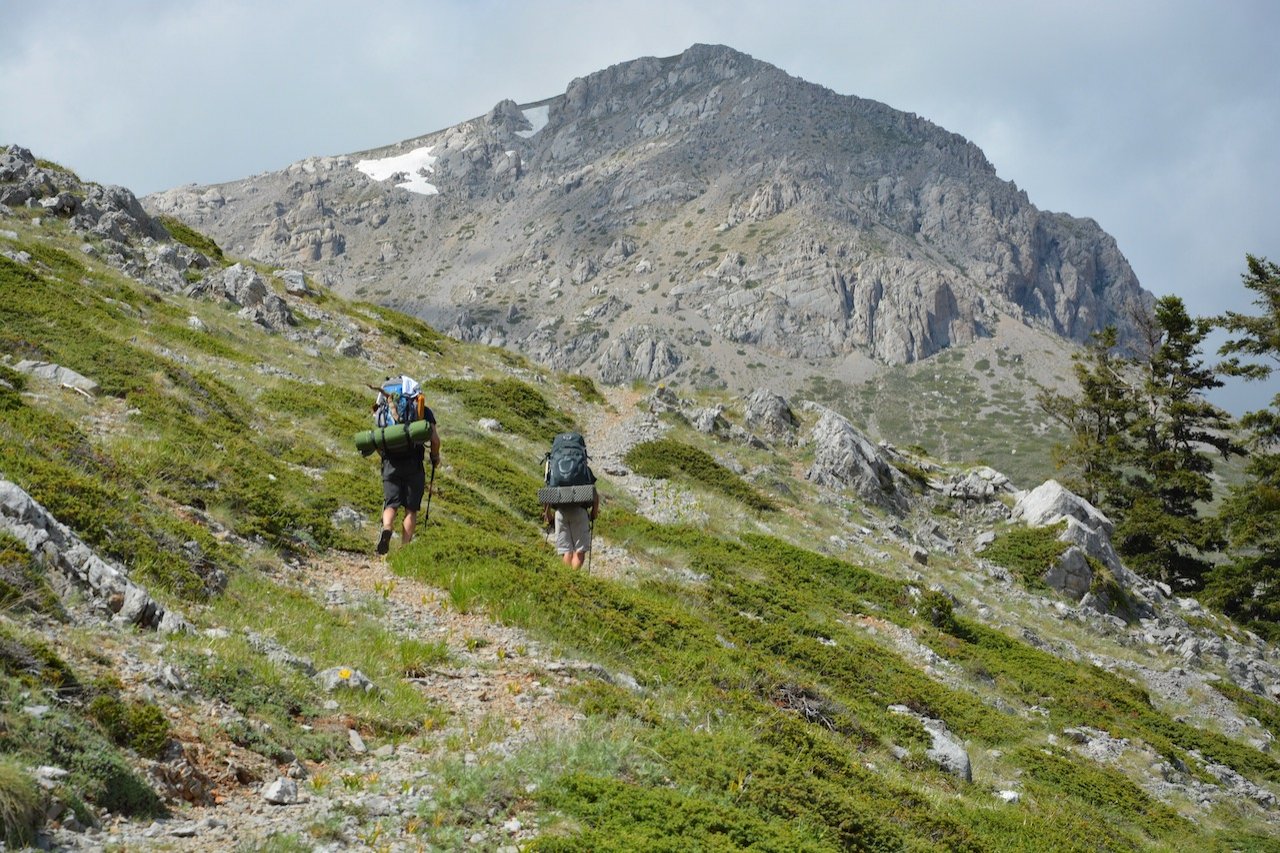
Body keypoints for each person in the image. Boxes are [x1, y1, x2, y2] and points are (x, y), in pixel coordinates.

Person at [375, 382, 441, 555]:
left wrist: (385, 456)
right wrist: (435, 457)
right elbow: (435, 440)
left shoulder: (384, 409)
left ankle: (387, 528)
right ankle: (404, 549)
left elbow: (378, 439)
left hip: (390, 463)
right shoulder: (423, 410)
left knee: (391, 504)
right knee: (411, 509)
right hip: (414, 464)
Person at [543, 474, 599, 570]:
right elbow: (594, 494)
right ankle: (573, 577)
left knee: (566, 551)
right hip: (580, 511)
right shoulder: (583, 469)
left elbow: (547, 494)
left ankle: (566, 578)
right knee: (579, 551)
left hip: (560, 512)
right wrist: (594, 513)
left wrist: (548, 515)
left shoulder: (554, 469)